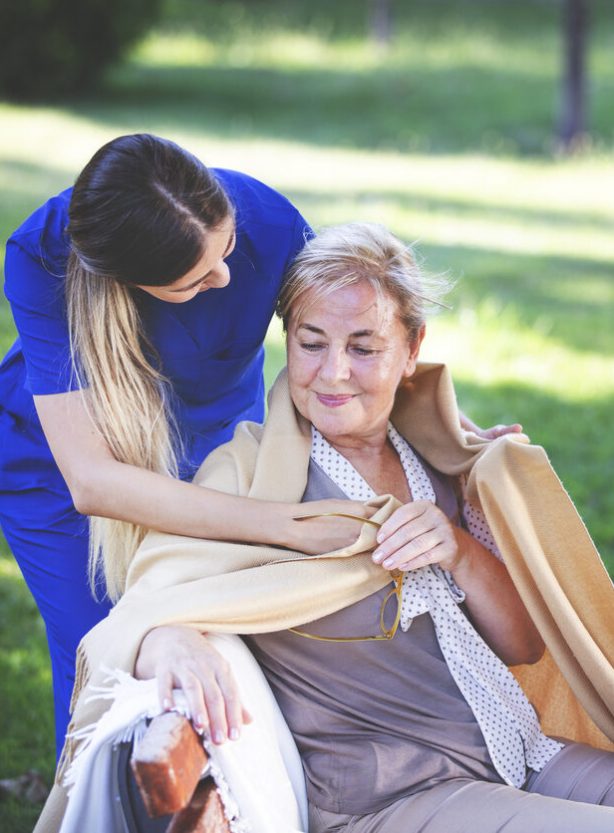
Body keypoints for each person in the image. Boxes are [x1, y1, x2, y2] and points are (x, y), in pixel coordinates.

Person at [37, 223, 614, 833]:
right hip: (396, 797)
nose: (334, 373)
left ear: (412, 348)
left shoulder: (442, 460)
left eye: (364, 348)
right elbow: (149, 601)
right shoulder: (251, 478)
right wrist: (164, 639)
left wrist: (462, 552)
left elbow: (524, 648)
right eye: (312, 344)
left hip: (524, 753)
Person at [0, 134, 519, 757]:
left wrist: (454, 435)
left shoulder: (265, 221)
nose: (225, 275)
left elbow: (354, 334)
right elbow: (93, 481)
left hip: (216, 448)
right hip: (61, 470)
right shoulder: (43, 257)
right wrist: (281, 527)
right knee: (107, 654)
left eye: (226, 251)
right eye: (195, 281)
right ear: (129, 282)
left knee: (238, 635)